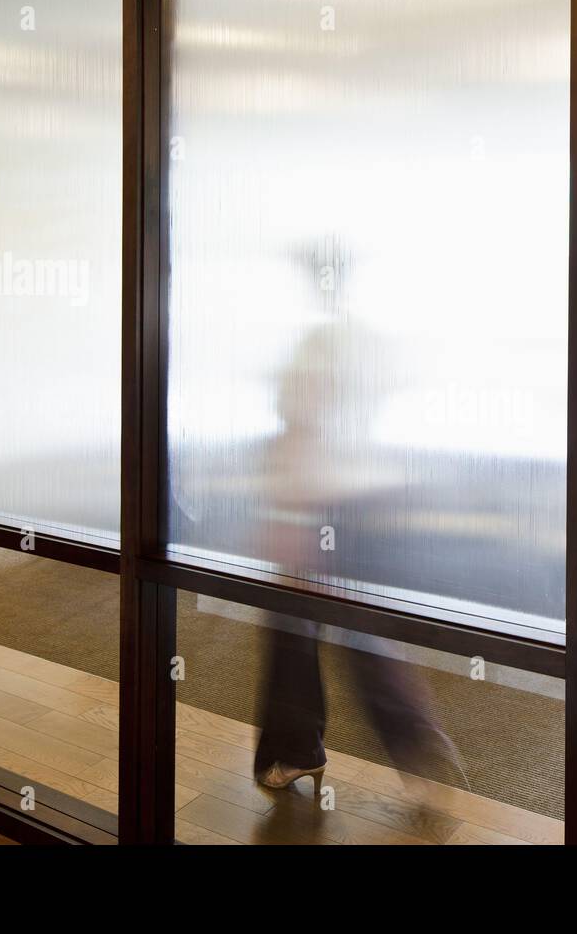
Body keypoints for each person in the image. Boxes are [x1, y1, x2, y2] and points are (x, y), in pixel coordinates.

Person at [252, 236, 467, 798]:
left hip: (327, 505)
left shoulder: (324, 343)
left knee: (317, 633)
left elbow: (304, 425)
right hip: (368, 499)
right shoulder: (360, 339)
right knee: (346, 632)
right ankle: (412, 750)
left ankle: (381, 750)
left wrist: (288, 514)